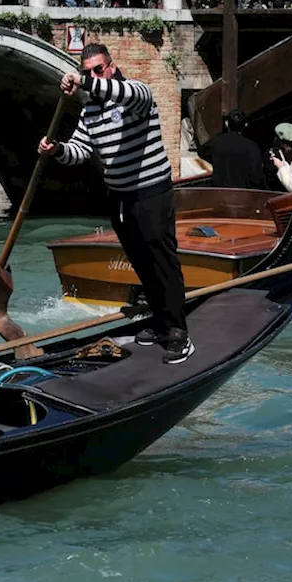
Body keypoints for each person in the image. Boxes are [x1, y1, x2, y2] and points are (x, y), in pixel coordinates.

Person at [39, 43, 194, 364]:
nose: (94, 75)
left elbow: (129, 95)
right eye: (87, 72)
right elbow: (81, 151)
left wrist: (84, 83)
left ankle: (179, 331)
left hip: (152, 192)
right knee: (140, 262)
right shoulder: (90, 111)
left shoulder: (136, 93)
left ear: (110, 67)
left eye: (98, 69)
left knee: (162, 260)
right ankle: (160, 321)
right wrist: (56, 150)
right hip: (120, 198)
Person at [198, 108, 269, 190]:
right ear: (245, 124)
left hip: (220, 193)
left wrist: (216, 160)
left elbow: (201, 152)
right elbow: (256, 176)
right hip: (243, 195)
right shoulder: (252, 147)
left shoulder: (216, 143)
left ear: (227, 124)